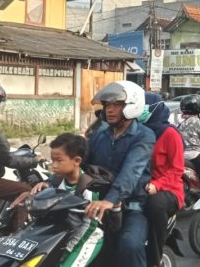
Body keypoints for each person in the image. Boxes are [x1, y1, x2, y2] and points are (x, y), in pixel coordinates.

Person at [84, 81, 156, 267]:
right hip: (96, 203)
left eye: (116, 105)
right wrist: (51, 182)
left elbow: (131, 171)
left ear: (132, 106)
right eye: (107, 105)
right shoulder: (99, 134)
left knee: (129, 245)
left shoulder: (144, 135)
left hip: (131, 206)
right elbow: (78, 161)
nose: (110, 109)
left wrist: (112, 199)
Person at [31, 133, 104, 266]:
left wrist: (69, 248)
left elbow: (89, 226)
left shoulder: (88, 188)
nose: (54, 165)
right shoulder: (55, 182)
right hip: (63, 235)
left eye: (59, 160)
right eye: (52, 160)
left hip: (86, 238)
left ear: (77, 161)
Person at [141, 93, 184, 267]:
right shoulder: (139, 130)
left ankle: (154, 259)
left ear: (155, 108)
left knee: (154, 204)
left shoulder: (170, 134)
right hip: (142, 185)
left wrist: (157, 185)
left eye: (144, 107)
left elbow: (177, 169)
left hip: (169, 189)